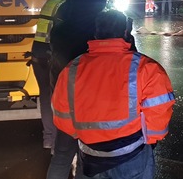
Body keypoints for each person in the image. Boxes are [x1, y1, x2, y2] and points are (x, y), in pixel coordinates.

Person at [52, 9, 175, 178]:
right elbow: (159, 112)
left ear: (96, 34)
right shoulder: (147, 68)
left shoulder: (72, 69)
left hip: (90, 155)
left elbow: (62, 113)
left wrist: (84, 135)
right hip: (132, 155)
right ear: (125, 32)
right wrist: (150, 139)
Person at [46, 0, 107, 179]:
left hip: (64, 100)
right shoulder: (98, 32)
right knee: (86, 155)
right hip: (91, 103)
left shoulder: (60, 30)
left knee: (62, 154)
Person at [27, 0, 72, 150]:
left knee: (46, 96)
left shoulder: (51, 2)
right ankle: (60, 141)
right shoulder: (65, 5)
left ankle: (48, 139)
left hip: (38, 54)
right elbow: (64, 33)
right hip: (51, 54)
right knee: (61, 96)